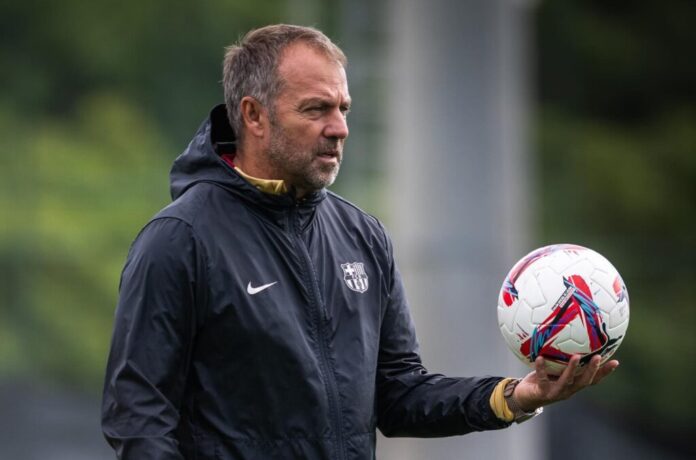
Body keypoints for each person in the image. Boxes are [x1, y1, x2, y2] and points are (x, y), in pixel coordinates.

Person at [101, 24, 619, 459]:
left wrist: (517, 396)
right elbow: (137, 419)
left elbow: (399, 396)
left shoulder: (363, 237)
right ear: (254, 115)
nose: (339, 128)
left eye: (343, 108)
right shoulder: (180, 240)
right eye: (316, 109)